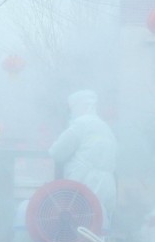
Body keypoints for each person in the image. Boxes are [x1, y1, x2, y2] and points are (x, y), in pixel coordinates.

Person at [48, 89, 118, 222]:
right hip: (108, 188)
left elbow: (57, 152)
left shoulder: (81, 124)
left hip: (85, 185)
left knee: (78, 229)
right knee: (100, 228)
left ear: (78, 106)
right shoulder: (106, 128)